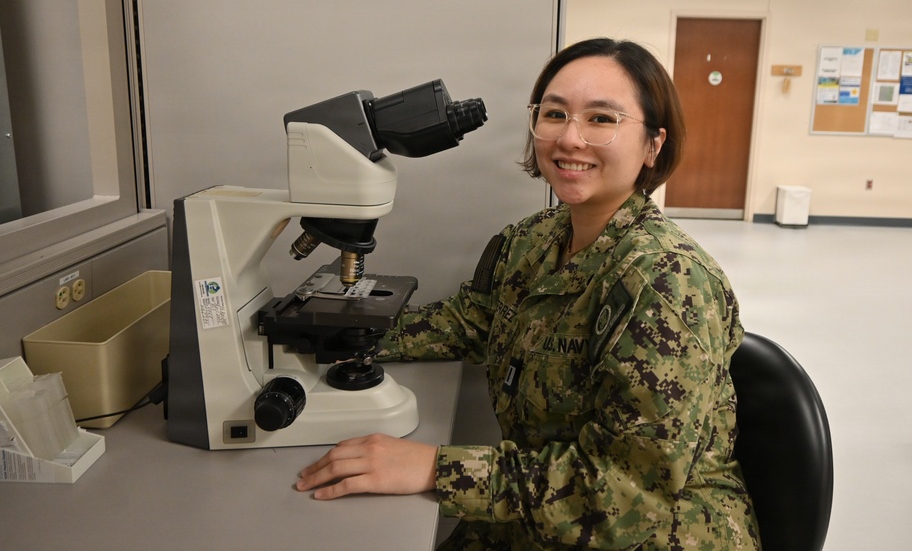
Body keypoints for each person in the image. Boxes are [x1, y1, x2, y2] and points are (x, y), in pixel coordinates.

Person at [296, 38, 761, 550]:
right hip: (537, 514)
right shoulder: (533, 241)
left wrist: (435, 467)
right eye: (555, 113)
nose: (570, 138)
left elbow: (622, 496)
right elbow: (475, 320)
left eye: (602, 119)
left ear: (653, 145)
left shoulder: (667, 283)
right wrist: (336, 331)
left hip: (650, 534)